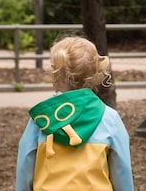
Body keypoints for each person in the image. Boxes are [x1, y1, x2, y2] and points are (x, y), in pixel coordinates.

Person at [17, 37, 133, 190]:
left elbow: (25, 165)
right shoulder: (109, 118)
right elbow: (121, 169)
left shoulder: (41, 119)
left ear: (54, 75)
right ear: (96, 74)